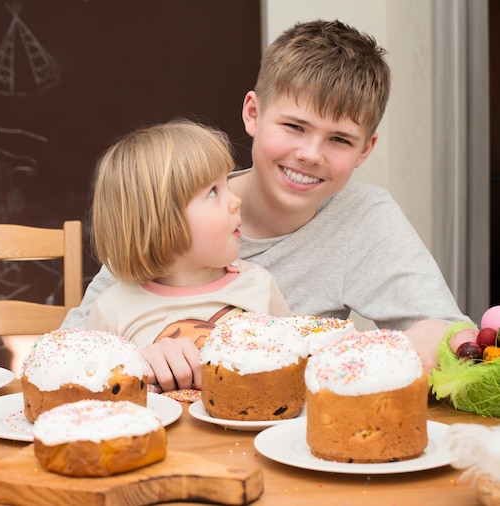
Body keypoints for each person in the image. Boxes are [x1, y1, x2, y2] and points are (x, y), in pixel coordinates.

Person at [63, 19, 472, 388]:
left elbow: (452, 334)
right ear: (253, 113)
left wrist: (419, 342)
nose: (311, 154)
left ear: (366, 150)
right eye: (295, 126)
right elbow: (72, 351)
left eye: (340, 139)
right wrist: (140, 360)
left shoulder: (363, 216)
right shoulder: (168, 211)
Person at [64, 119, 291, 391]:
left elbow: (293, 372)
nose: (235, 200)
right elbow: (86, 388)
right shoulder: (112, 309)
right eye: (213, 192)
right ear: (161, 221)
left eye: (227, 185)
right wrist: (131, 371)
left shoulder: (259, 286)